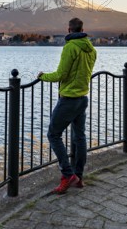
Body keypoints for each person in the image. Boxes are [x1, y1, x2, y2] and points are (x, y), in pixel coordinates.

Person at [37, 17, 97, 194]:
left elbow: (61, 74)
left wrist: (42, 76)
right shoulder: (91, 49)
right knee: (80, 137)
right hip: (82, 98)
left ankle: (68, 174)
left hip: (69, 99)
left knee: (53, 134)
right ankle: (79, 177)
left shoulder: (70, 47)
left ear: (69, 30)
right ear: (82, 28)